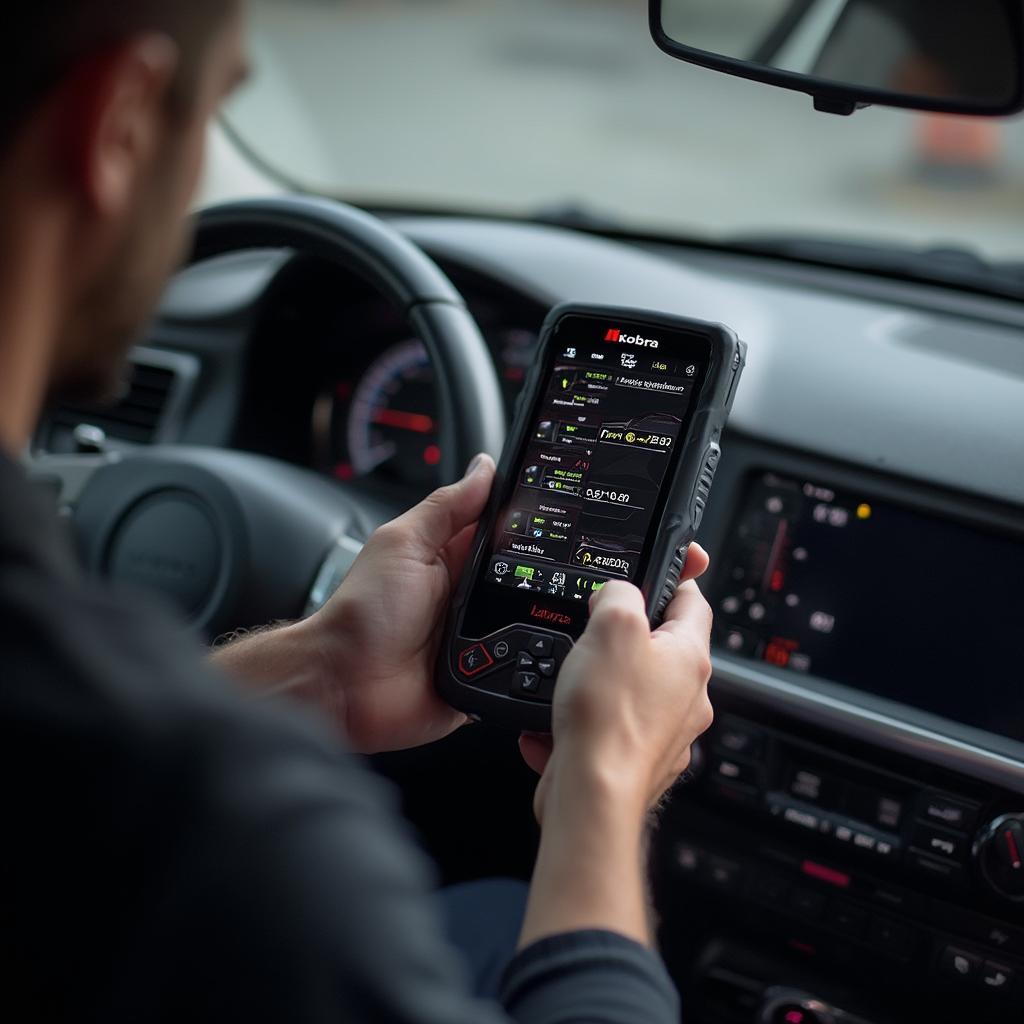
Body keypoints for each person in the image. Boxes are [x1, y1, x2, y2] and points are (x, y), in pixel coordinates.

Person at [0, 3, 715, 1021]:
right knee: (490, 910)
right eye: (214, 113)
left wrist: (319, 670)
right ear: (114, 124)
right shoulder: (237, 843)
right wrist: (603, 784)